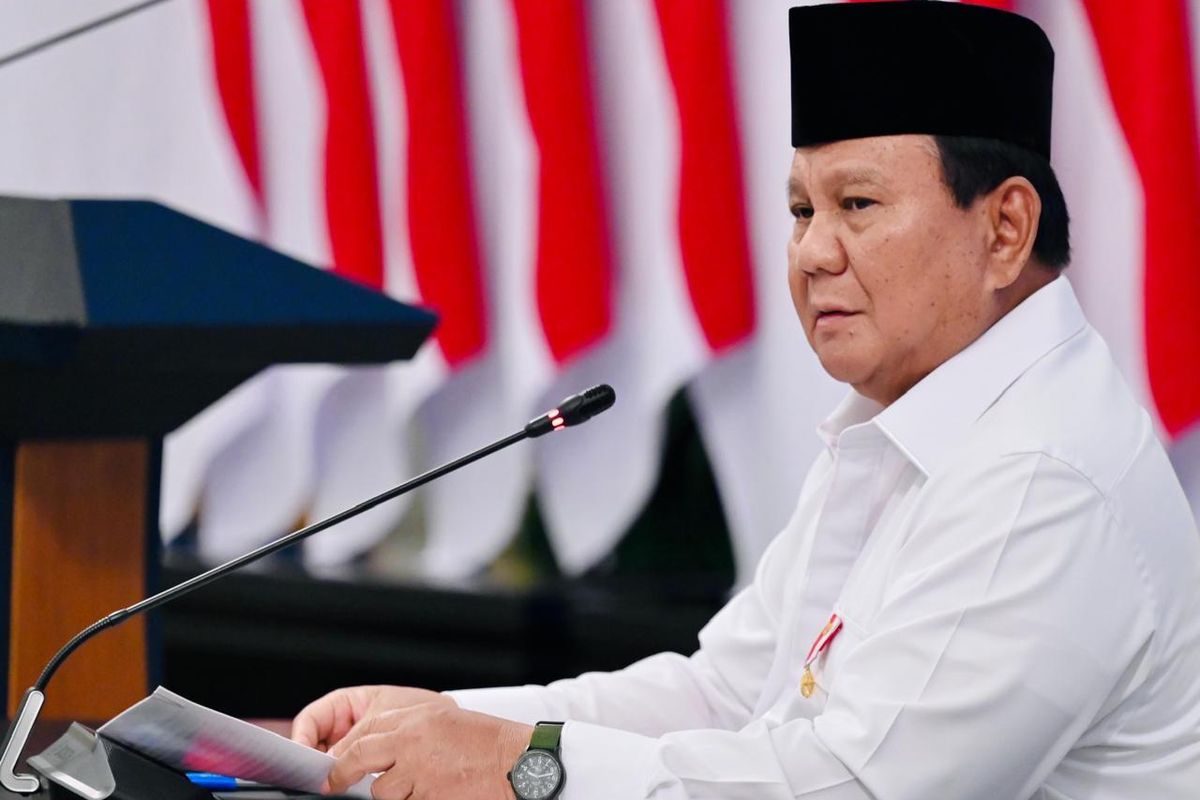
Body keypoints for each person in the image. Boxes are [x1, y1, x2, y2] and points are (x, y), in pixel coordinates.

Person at [291, 4, 1200, 798]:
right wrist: (439, 723)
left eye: (857, 204)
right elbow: (726, 696)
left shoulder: (1042, 475)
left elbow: (856, 789)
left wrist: (514, 765)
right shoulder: (913, 423)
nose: (812, 254)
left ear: (1005, 229)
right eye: (803, 211)